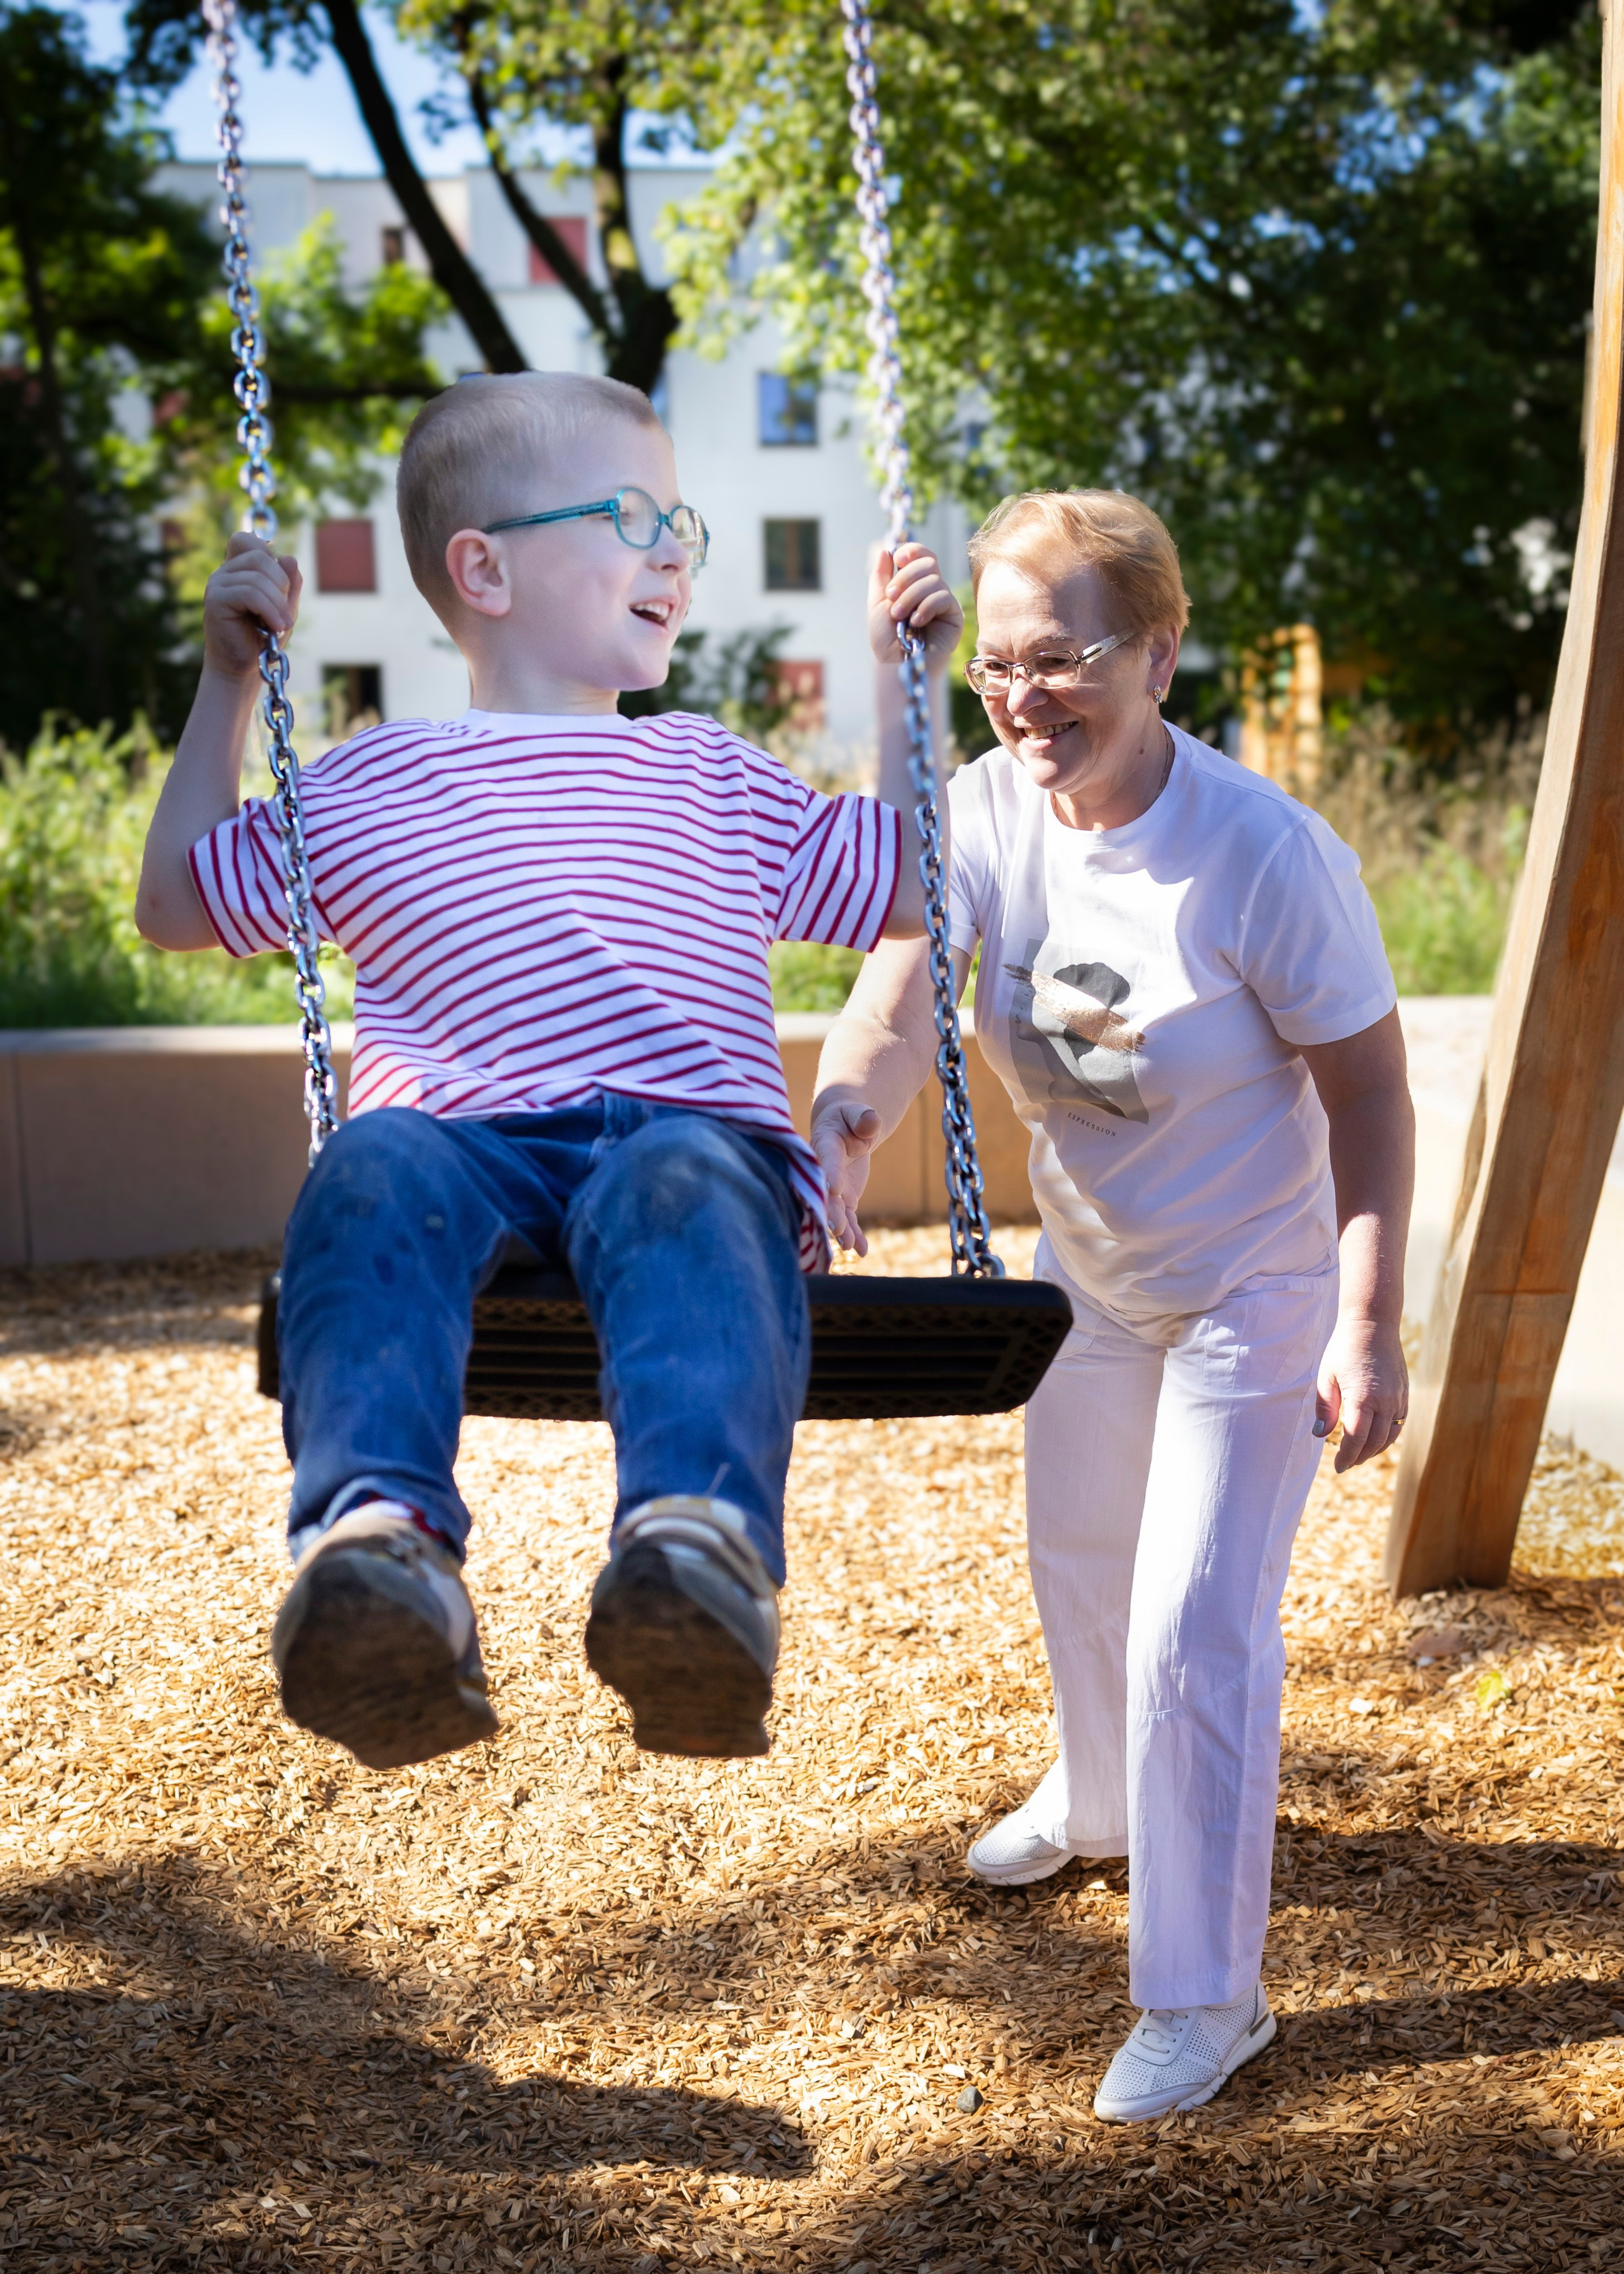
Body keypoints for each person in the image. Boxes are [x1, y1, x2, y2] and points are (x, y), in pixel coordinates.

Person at [136, 371, 962, 1774]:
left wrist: (904, 684)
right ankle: (376, 1555)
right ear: (485, 568)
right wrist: (227, 684)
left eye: (680, 524)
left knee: (693, 1178)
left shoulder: (711, 770)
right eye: (635, 516)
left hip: (678, 1141)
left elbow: (901, 883)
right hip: (455, 1139)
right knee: (369, 1167)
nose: (674, 551)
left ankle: (687, 1558)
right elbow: (174, 902)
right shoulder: (365, 778)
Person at [811, 488, 1413, 2125]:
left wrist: (1368, 1318)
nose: (1022, 699)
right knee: (1076, 1559)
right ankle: (1096, 1801)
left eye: (1060, 659)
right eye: (995, 667)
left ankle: (1205, 1995)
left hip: (1252, 1285)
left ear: (1159, 649)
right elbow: (893, 977)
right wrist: (846, 1113)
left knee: (1190, 1629)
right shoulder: (991, 810)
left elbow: (1367, 1094)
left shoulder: (1259, 855)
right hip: (1092, 1274)